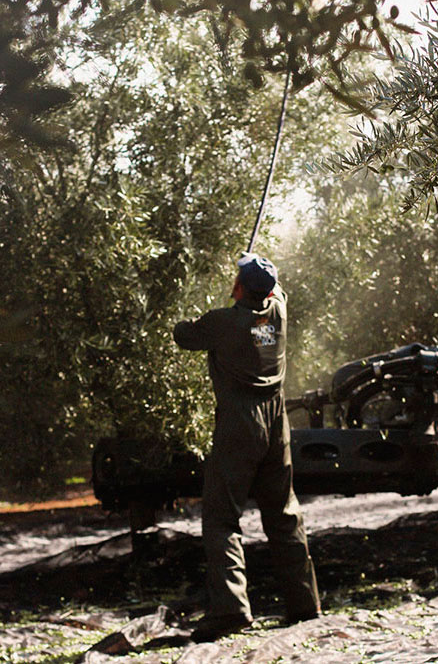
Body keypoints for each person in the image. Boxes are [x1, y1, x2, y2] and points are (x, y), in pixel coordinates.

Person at [172, 253, 321, 642]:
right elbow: (274, 291)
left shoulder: (223, 323)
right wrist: (249, 282)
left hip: (240, 423)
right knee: (284, 512)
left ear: (240, 287)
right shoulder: (281, 312)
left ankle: (231, 610)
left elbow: (182, 334)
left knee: (221, 518)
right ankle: (305, 603)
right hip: (276, 424)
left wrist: (227, 299)